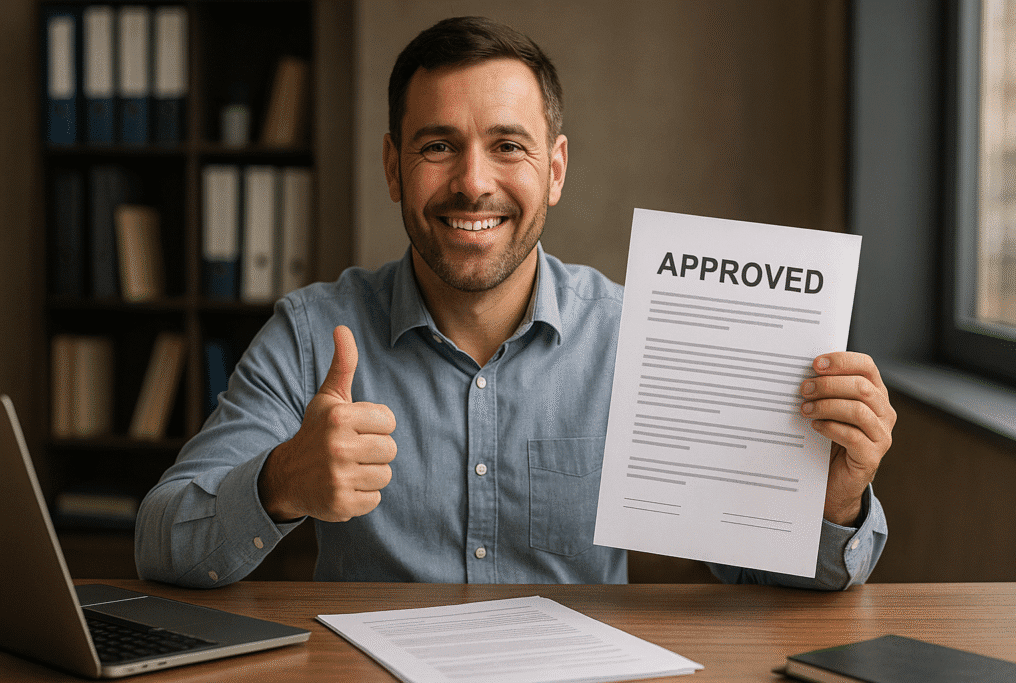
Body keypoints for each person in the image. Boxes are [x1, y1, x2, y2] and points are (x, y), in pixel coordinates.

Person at [135, 16, 894, 589]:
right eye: (437, 146)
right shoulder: (311, 334)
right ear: (393, 167)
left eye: (508, 145)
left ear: (555, 170)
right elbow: (158, 539)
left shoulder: (641, 340)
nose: (473, 181)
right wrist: (279, 483)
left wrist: (828, 508)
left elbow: (770, 581)